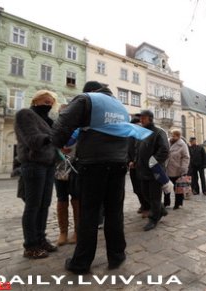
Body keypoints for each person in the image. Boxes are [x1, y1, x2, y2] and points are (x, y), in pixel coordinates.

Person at [52, 81, 131, 273]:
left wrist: (56, 144)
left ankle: (81, 262)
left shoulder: (86, 99)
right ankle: (117, 255)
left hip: (94, 164)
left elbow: (63, 125)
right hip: (119, 163)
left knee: (89, 213)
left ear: (90, 91)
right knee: (114, 211)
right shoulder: (121, 107)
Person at [14, 89, 58, 259]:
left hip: (48, 165)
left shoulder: (49, 121)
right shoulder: (25, 114)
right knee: (33, 206)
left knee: (44, 204)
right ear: (35, 101)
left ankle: (41, 239)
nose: (48, 105)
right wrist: (52, 137)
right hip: (33, 164)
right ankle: (30, 245)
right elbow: (32, 140)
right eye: (45, 101)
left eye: (51, 103)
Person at [136, 110, 169, 231]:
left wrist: (153, 162)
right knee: (145, 194)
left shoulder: (159, 132)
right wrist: (135, 161)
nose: (141, 120)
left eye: (143, 118)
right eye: (141, 118)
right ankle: (161, 209)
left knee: (154, 196)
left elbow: (164, 150)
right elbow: (139, 149)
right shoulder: (143, 133)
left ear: (150, 118)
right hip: (143, 170)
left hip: (155, 171)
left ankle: (153, 219)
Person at [54, 105, 79, 246]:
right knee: (61, 198)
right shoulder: (55, 128)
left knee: (76, 199)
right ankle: (63, 232)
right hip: (59, 168)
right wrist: (58, 148)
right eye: (61, 113)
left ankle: (77, 231)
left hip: (75, 168)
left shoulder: (78, 129)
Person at [128, 114, 150, 218]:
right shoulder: (129, 135)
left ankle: (147, 207)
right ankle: (143, 204)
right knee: (136, 189)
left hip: (142, 166)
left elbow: (143, 151)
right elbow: (128, 150)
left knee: (143, 188)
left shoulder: (144, 135)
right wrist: (129, 161)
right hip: (132, 166)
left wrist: (135, 161)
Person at [165, 129, 190, 210]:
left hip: (177, 169)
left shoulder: (182, 145)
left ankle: (178, 203)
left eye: (174, 135)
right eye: (171, 135)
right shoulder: (167, 142)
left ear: (178, 136)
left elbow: (186, 157)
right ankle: (166, 202)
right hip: (167, 168)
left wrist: (184, 168)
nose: (172, 137)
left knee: (178, 188)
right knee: (166, 186)